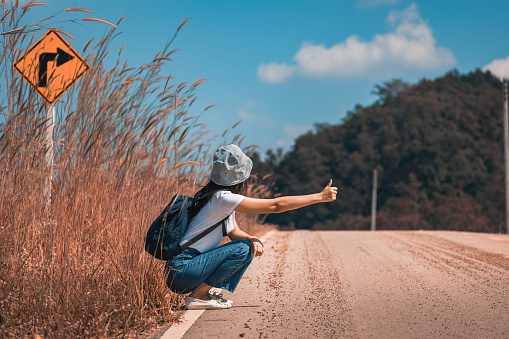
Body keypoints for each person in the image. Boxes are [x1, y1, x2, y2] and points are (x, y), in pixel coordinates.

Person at [165, 144, 337, 310]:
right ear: (239, 178)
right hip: (183, 269)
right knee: (242, 249)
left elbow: (234, 233)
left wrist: (251, 238)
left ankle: (201, 294)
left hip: (180, 270)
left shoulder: (213, 199)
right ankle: (198, 296)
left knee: (245, 245)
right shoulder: (222, 199)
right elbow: (275, 206)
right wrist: (318, 197)